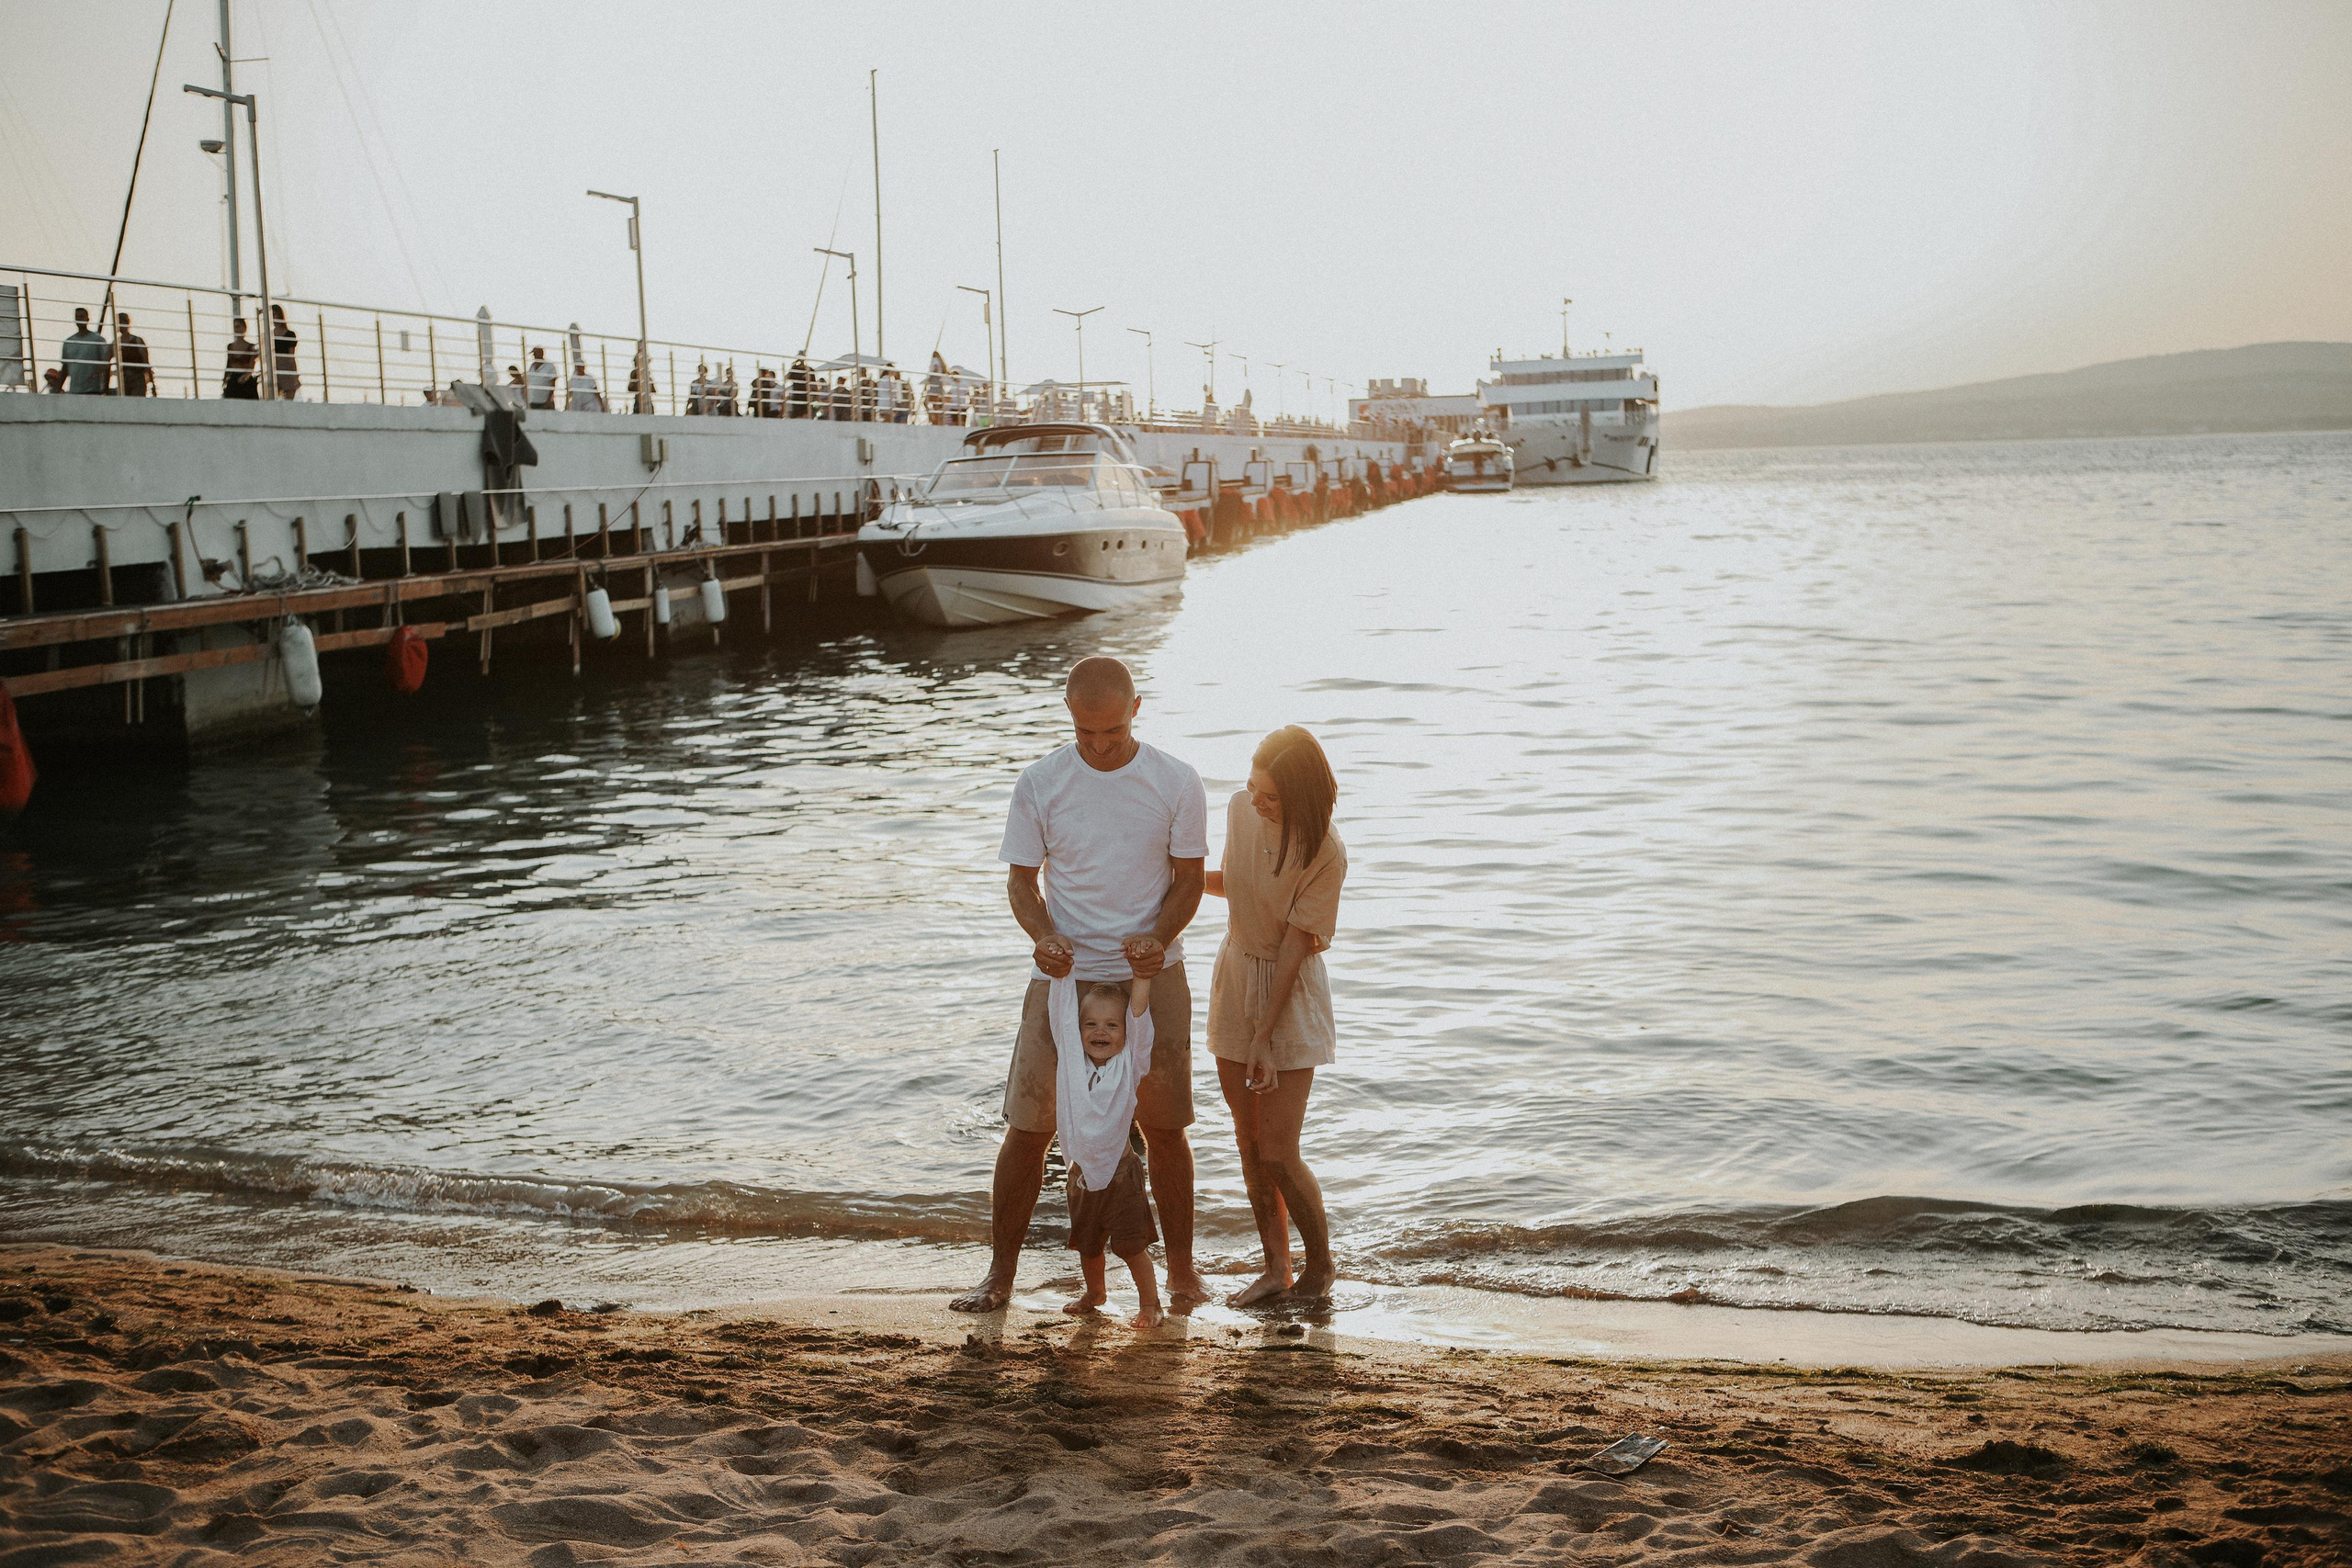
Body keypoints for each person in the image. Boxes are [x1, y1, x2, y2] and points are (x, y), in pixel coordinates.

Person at [950, 656, 1211, 1314]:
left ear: (1136, 710)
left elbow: (1188, 881)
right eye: (1084, 732)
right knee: (1029, 1126)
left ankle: (1182, 1276)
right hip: (1061, 976)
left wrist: (1156, 935)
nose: (1097, 745)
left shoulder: (1176, 780)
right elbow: (1021, 881)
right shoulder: (1041, 782)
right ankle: (1000, 1274)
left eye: (1112, 733)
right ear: (1069, 712)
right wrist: (1042, 934)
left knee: (1164, 1124)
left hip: (1153, 971)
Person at [1205, 726, 1347, 1306]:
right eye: (1252, 787)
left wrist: (1264, 1036)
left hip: (1286, 991)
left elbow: (1294, 944)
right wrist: (1169, 878)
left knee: (1278, 1149)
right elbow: (1235, 887)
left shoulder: (1325, 850)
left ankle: (1320, 1269)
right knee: (1247, 1139)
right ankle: (1274, 1269)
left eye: (1271, 796)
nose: (1256, 801)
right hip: (1235, 973)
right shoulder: (1241, 810)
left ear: (1302, 797)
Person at [1050, 976, 1165, 1327]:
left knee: (1130, 1247)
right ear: (1078, 1030)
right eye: (1091, 1024)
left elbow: (1140, 1016)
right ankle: (1095, 1293)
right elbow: (1061, 1012)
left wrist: (1141, 976)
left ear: (1126, 1033)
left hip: (1120, 1175)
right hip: (1080, 1173)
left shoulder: (1130, 1063)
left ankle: (1151, 1305)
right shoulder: (1071, 1062)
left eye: (1112, 1025)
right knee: (1088, 1245)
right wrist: (1061, 972)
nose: (1101, 1032)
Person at [60, 309, 109, 395]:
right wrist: (58, 388)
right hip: (74, 390)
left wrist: (106, 389)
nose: (79, 319)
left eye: (82, 317)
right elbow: (65, 367)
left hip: (94, 389)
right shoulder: (68, 342)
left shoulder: (98, 340)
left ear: (87, 319)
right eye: (77, 317)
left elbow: (105, 365)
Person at [114, 313, 152, 397]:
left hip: (137, 378)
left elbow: (146, 362)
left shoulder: (137, 341)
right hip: (123, 378)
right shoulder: (116, 343)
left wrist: (152, 384)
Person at [222, 317, 260, 399]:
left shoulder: (251, 347)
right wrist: (224, 379)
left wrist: (246, 376)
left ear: (244, 328)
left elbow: (251, 365)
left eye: (238, 327)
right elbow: (229, 364)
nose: (236, 330)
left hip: (246, 379)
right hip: (233, 378)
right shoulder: (230, 346)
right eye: (235, 327)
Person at [268, 304, 300, 399]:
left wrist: (295, 373)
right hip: (273, 366)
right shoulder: (269, 334)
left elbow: (291, 355)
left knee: (290, 394)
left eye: (274, 314)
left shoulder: (289, 334)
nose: (273, 317)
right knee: (272, 396)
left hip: (286, 366)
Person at [526, 346, 558, 410]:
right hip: (533, 401)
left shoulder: (549, 366)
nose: (534, 356)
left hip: (545, 401)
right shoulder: (532, 366)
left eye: (535, 354)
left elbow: (553, 383)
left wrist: (549, 400)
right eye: (533, 354)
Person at [786, 355, 810, 419]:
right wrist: (793, 365)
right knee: (797, 414)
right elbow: (787, 377)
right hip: (796, 395)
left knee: (806, 414)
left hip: (806, 395)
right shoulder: (795, 368)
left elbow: (813, 384)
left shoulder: (809, 369)